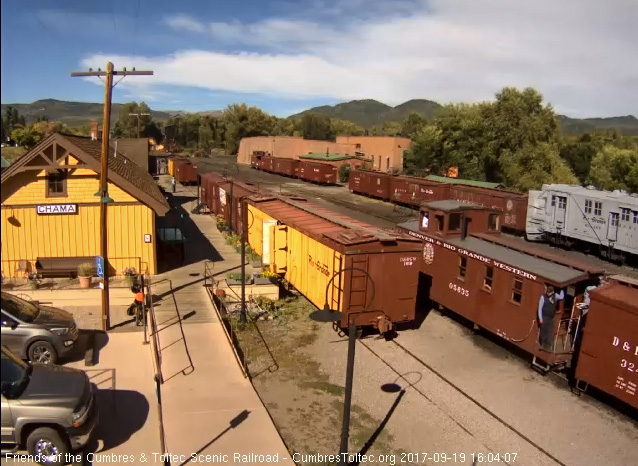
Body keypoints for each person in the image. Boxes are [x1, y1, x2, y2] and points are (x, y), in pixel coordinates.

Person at [538, 285, 565, 352]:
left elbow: (561, 297)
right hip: (544, 316)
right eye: (547, 292)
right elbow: (540, 308)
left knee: (550, 332)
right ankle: (542, 345)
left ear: (552, 292)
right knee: (543, 332)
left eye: (549, 292)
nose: (548, 293)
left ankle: (548, 347)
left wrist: (562, 288)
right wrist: (540, 318)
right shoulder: (543, 297)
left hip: (551, 317)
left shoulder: (555, 296)